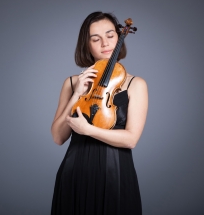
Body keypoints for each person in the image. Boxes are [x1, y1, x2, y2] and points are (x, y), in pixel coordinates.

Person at [51, 11, 148, 215]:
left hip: (116, 174)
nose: (105, 43)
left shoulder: (135, 84)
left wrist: (88, 130)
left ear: (119, 38)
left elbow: (131, 139)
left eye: (110, 35)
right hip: (75, 172)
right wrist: (77, 94)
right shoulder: (71, 83)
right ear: (87, 45)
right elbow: (58, 137)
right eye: (96, 39)